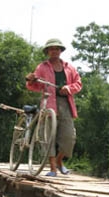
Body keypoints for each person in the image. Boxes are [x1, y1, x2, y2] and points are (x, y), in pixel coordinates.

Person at [25, 38, 82, 177]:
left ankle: (59, 161)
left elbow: (78, 84)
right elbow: (34, 85)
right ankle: (53, 169)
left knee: (69, 137)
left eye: (57, 49)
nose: (54, 51)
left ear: (60, 51)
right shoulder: (42, 67)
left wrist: (68, 88)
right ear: (47, 51)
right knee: (48, 135)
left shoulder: (69, 68)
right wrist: (31, 79)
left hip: (66, 104)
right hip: (48, 104)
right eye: (51, 49)